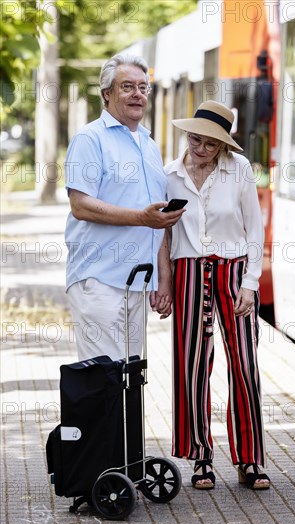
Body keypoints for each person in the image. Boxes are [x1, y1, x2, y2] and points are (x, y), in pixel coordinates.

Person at [164, 100, 270, 490]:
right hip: (189, 272)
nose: (201, 148)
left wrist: (251, 282)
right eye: (196, 138)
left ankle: (250, 459)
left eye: (211, 143)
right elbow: (164, 234)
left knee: (243, 364)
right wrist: (165, 282)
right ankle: (200, 457)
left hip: (234, 271)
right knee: (192, 368)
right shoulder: (170, 175)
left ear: (224, 145)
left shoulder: (239, 170)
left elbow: (254, 230)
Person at [64, 53, 182, 361]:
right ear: (107, 94)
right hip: (100, 281)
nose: (137, 94)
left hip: (137, 283)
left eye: (143, 88)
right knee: (104, 382)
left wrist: (163, 278)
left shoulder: (149, 145)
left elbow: (158, 220)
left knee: (127, 382)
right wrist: (140, 218)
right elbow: (81, 205)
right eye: (127, 86)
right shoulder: (90, 139)